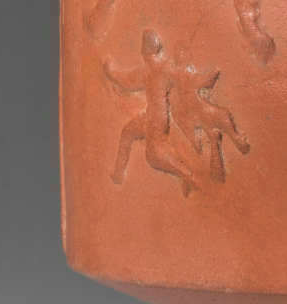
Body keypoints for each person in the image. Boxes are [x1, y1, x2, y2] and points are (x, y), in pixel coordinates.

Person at [104, 29, 249, 196]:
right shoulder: (162, 69)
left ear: (145, 53)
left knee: (154, 155)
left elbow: (125, 81)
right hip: (151, 116)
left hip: (156, 119)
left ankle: (189, 177)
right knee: (128, 132)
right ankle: (118, 175)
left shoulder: (153, 70)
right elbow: (128, 81)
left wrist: (110, 71)